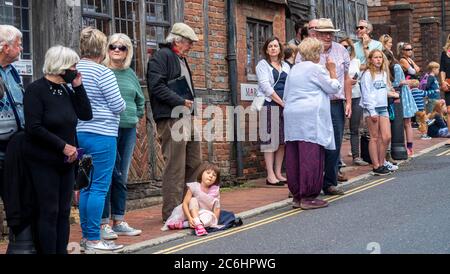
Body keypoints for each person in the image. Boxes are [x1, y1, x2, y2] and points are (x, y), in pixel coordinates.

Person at [22, 46, 92, 254]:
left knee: (64, 212)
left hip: (66, 163)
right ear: (60, 67)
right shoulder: (36, 90)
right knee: (49, 212)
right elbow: (33, 127)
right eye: (73, 66)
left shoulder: (66, 90)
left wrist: (79, 87)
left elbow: (86, 114)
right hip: (43, 160)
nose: (75, 70)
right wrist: (63, 146)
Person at [76, 27, 126, 252]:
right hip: (102, 135)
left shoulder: (73, 69)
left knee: (85, 186)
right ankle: (95, 240)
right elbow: (118, 105)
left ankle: (87, 238)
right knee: (98, 188)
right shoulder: (103, 72)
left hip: (79, 133)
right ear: (102, 49)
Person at [147, 23, 202, 222]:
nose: (190, 47)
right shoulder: (162, 56)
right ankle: (172, 213)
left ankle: (187, 207)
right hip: (171, 118)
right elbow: (156, 87)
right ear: (177, 41)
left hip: (185, 117)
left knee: (195, 163)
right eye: (189, 43)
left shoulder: (179, 58)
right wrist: (180, 101)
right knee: (175, 166)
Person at [284, 37, 341, 209]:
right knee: (311, 155)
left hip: (292, 115)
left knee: (294, 155)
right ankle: (308, 197)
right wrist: (333, 71)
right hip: (310, 116)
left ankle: (297, 196)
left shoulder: (294, 69)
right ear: (316, 53)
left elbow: (286, 94)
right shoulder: (316, 69)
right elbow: (333, 88)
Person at [100, 33, 145, 240]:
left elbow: (140, 100)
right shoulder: (102, 71)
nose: (116, 50)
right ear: (107, 49)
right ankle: (103, 223)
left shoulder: (130, 74)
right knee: (107, 175)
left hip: (128, 130)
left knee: (121, 176)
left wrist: (136, 116)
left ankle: (119, 220)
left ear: (128, 51)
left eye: (122, 47)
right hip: (108, 129)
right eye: (113, 46)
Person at [308, 18, 352, 195]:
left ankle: (330, 183)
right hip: (314, 104)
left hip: (335, 103)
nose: (327, 36)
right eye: (324, 33)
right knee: (314, 143)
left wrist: (348, 101)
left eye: (330, 33)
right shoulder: (307, 51)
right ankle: (312, 182)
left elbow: (347, 78)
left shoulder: (341, 51)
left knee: (334, 143)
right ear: (316, 34)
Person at [256, 36, 290, 186]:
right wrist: (281, 102)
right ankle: (270, 175)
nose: (273, 48)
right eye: (270, 46)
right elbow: (266, 87)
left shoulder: (287, 65)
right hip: (269, 104)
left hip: (285, 106)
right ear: (266, 50)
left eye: (276, 46)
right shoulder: (262, 65)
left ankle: (278, 173)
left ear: (280, 49)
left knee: (282, 141)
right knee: (270, 141)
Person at [360, 49, 399, 175]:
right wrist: (371, 111)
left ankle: (382, 163)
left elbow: (382, 90)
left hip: (383, 107)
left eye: (380, 57)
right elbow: (366, 94)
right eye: (375, 57)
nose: (378, 60)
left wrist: (392, 93)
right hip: (372, 108)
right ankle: (376, 166)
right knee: (374, 137)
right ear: (371, 59)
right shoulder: (367, 74)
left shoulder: (383, 73)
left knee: (387, 136)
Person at [162, 163, 221, 236]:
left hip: (204, 214)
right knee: (193, 200)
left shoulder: (215, 191)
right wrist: (190, 218)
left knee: (209, 218)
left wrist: (214, 222)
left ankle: (185, 224)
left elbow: (217, 208)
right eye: (208, 173)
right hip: (190, 212)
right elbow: (185, 204)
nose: (211, 176)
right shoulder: (194, 186)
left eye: (214, 175)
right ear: (201, 174)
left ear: (216, 179)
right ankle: (198, 225)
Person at [0, 25, 24, 198]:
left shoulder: (13, 71)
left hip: (14, 145)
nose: (21, 48)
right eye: (18, 44)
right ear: (5, 47)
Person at [339, 37, 368, 166]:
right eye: (343, 47)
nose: (345, 49)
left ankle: (356, 156)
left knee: (355, 128)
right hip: (340, 96)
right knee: (339, 129)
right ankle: (338, 159)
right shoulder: (335, 61)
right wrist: (346, 82)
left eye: (348, 47)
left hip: (356, 95)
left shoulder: (356, 61)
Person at [385, 49, 418, 158]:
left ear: (389, 59)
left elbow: (398, 83)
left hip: (402, 95)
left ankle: (409, 147)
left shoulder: (396, 67)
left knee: (406, 122)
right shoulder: (386, 68)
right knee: (396, 122)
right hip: (393, 94)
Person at [439, 34, 450, 116]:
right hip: (448, 83)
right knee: (449, 110)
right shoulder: (444, 53)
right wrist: (443, 81)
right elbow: (442, 69)